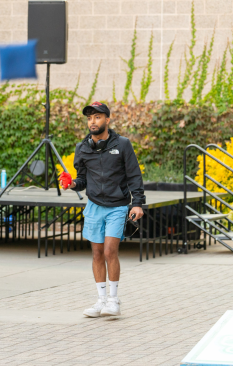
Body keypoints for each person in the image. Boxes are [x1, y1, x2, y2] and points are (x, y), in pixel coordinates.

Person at [62, 101, 145, 317]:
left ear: (107, 120)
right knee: (97, 253)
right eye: (89, 118)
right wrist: (72, 184)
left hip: (117, 207)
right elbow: (82, 179)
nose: (92, 121)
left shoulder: (123, 144)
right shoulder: (82, 148)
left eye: (97, 117)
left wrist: (137, 203)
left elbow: (134, 176)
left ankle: (114, 300)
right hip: (94, 206)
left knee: (110, 251)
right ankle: (101, 301)